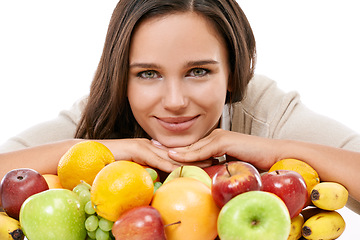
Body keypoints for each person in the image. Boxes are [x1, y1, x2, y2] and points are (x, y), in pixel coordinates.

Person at [1, 0, 360, 212]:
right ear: (121, 79)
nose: (174, 102)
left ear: (233, 73)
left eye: (198, 71)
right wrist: (113, 150)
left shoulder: (262, 108)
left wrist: (270, 149)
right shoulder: (101, 114)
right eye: (147, 74)